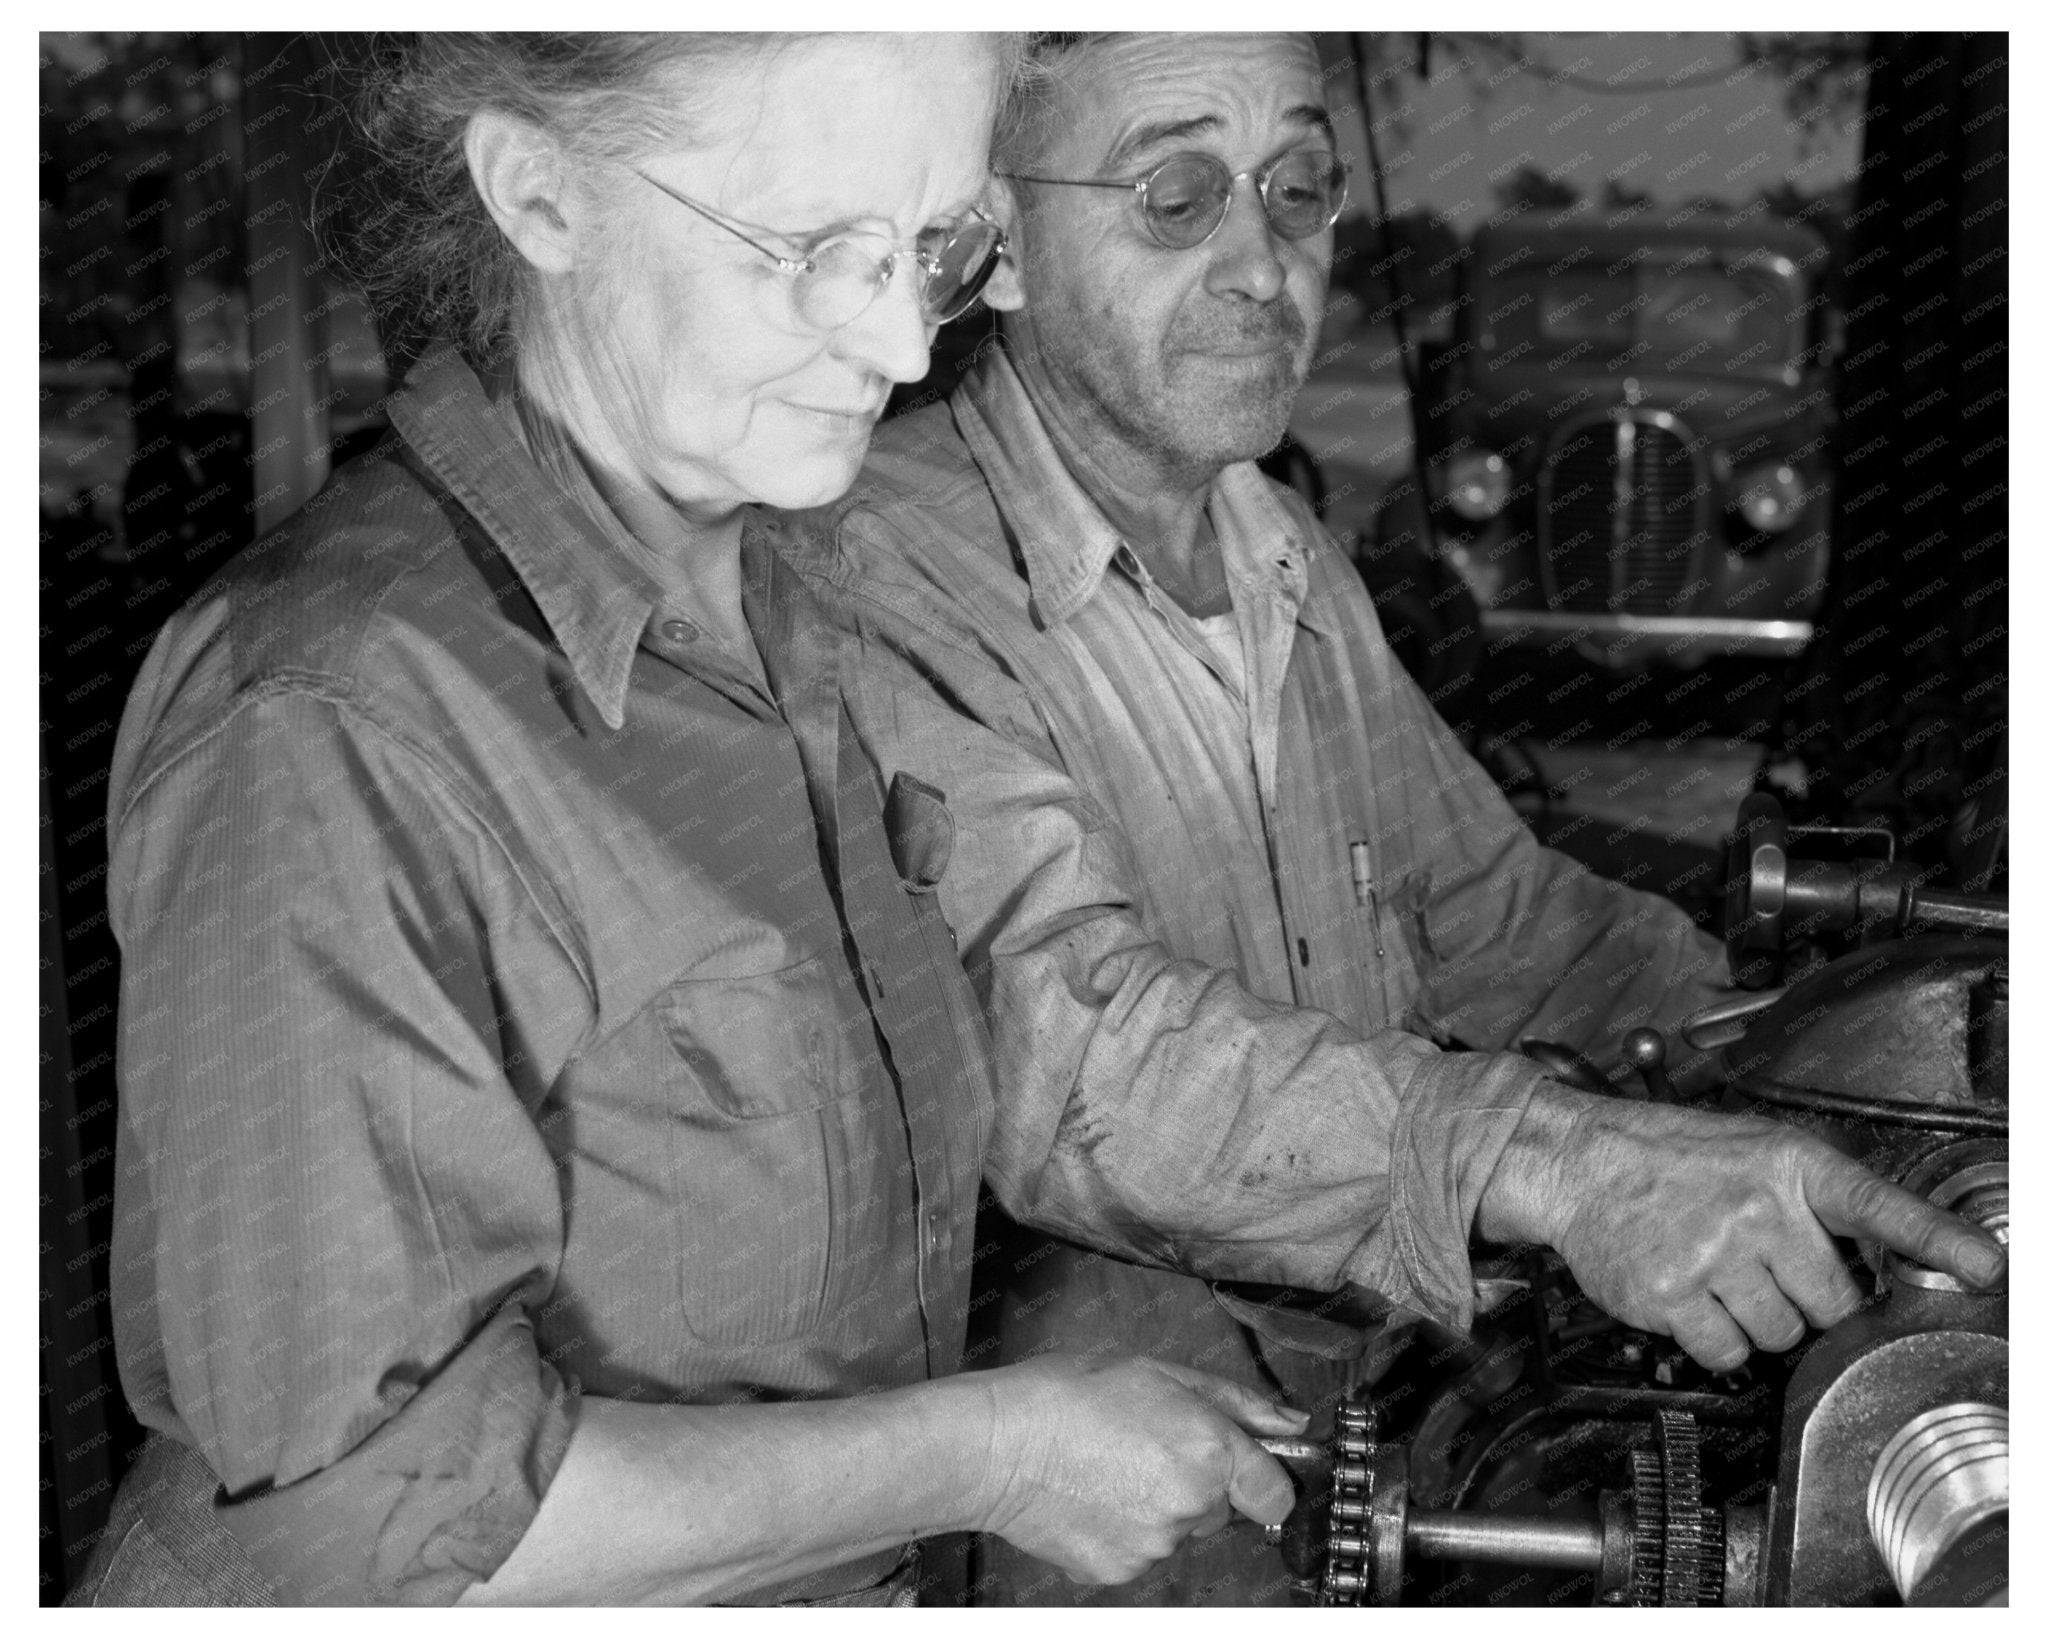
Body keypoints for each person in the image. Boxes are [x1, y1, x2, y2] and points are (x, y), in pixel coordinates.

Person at [76, 33, 1316, 1608]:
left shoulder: (797, 599)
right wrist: (992, 1456)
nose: (895, 340)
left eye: (938, 248)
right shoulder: (331, 720)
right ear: (541, 194)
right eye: (812, 251)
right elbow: (374, 1529)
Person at [782, 31, 2008, 1605]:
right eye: (1174, 195)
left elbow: (1515, 926)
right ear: (996, 246)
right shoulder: (873, 576)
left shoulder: (1276, 545)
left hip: (1367, 1386)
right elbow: (1067, 1061)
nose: (1263, 265)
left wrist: (1833, 1067)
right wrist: (1570, 1164)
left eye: (1298, 189)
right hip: (1099, 1454)